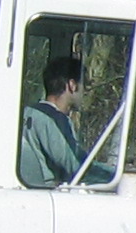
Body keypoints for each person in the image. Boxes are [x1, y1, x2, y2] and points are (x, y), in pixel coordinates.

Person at [18, 57, 87, 187]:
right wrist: (110, 174)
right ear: (72, 85)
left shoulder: (25, 113)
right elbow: (77, 166)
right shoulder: (54, 119)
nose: (85, 92)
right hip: (45, 191)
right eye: (85, 85)